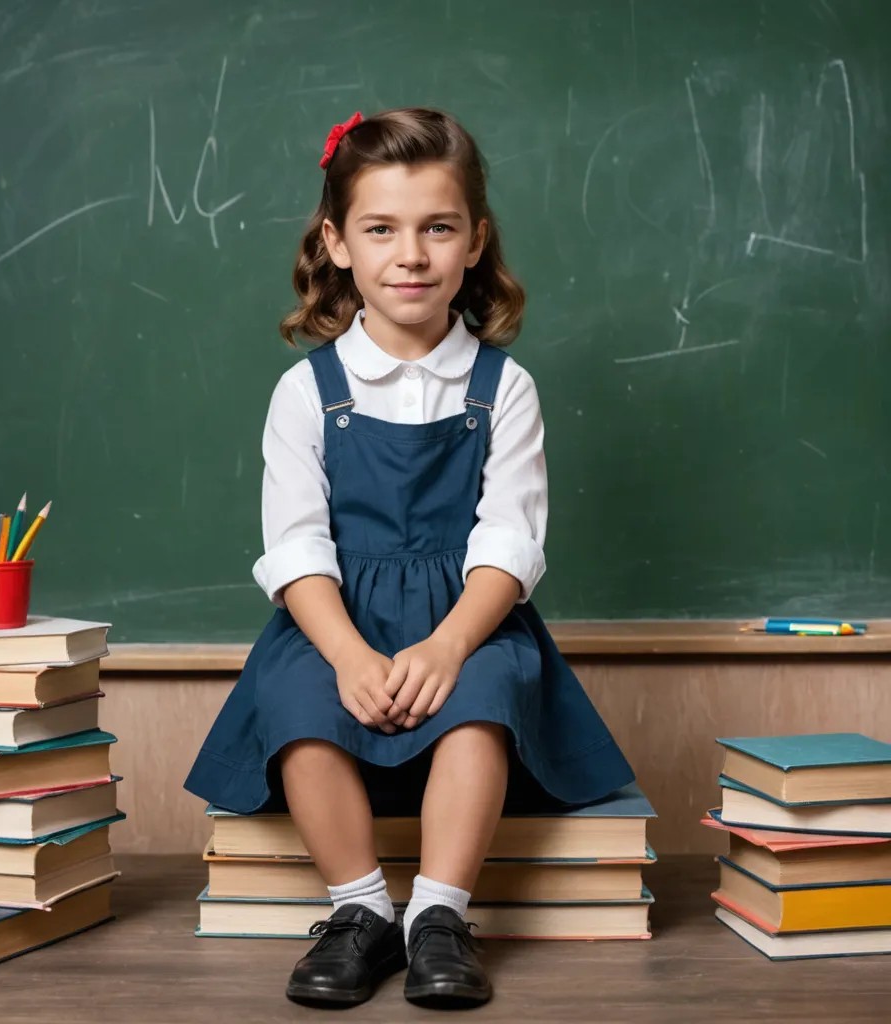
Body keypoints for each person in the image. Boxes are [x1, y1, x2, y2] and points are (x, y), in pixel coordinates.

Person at [184, 107, 634, 1009]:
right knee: (297, 697)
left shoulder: (503, 388)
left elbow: (511, 541)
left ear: (475, 242)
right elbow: (298, 545)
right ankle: (361, 913)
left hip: (468, 619)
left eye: (438, 227)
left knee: (483, 701)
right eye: (381, 229)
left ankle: (438, 916)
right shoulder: (306, 391)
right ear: (337, 243)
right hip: (334, 616)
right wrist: (349, 655)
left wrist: (447, 646)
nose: (412, 254)